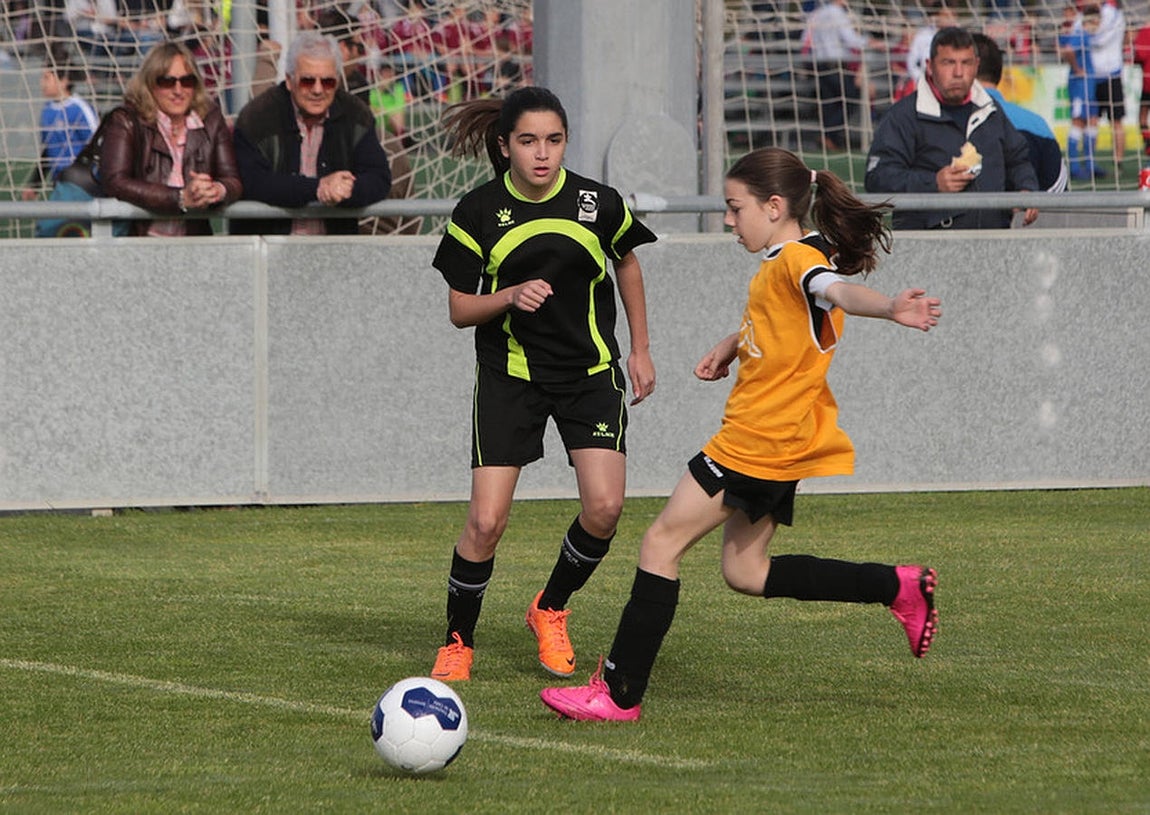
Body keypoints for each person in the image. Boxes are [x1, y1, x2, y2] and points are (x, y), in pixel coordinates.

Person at [539, 147, 942, 722]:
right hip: (785, 443)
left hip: (754, 444)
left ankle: (618, 692)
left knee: (660, 545)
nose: (728, 221)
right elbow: (793, 314)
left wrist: (889, 307)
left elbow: (836, 291)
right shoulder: (796, 254)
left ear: (774, 206)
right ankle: (897, 587)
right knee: (746, 572)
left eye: (735, 208)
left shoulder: (800, 262)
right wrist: (734, 343)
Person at [428, 87, 657, 682]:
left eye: (554, 141)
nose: (542, 154)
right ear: (505, 146)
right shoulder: (478, 210)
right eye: (528, 141)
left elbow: (626, 260)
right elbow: (458, 308)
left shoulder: (596, 202)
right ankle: (458, 640)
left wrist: (641, 349)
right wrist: (508, 295)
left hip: (589, 375)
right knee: (485, 522)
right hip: (511, 376)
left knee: (605, 508)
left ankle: (549, 608)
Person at [864, 26, 1039, 229]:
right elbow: (877, 177)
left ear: (976, 65)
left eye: (966, 63)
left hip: (994, 244)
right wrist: (933, 183)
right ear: (930, 66)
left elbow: (1018, 159)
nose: (958, 72)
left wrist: (1026, 188)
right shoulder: (904, 116)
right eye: (948, 63)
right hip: (928, 248)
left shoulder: (990, 109)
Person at [231, 30, 392, 236]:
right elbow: (254, 182)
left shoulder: (356, 114)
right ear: (289, 80)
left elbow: (379, 177)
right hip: (267, 250)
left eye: (327, 81)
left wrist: (346, 189)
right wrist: (318, 187)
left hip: (333, 250)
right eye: (308, 81)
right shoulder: (256, 117)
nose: (318, 90)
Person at [99, 40, 241, 237]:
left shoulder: (211, 119)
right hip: (139, 243)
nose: (178, 90)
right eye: (167, 81)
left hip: (193, 245)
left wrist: (215, 190)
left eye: (187, 81)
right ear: (150, 84)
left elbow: (232, 179)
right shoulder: (126, 120)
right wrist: (180, 198)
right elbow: (115, 181)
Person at [972, 32, 1067, 192]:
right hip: (1033, 217)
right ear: (999, 73)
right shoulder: (1037, 124)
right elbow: (1057, 193)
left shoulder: (946, 121)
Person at [802, 0, 883, 150]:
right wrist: (870, 42)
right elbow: (851, 40)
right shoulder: (837, 13)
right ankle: (828, 135)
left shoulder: (817, 13)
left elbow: (805, 38)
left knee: (830, 102)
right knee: (852, 96)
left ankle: (830, 140)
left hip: (818, 63)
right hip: (834, 64)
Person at [21, 52, 98, 201]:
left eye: (47, 77)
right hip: (58, 184)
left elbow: (97, 147)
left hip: (82, 186)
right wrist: (35, 184)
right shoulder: (47, 110)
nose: (42, 83)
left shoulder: (79, 109)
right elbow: (47, 151)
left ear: (63, 81)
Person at [1059, 3, 1102, 181]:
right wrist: (1077, 69)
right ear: (1091, 20)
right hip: (1079, 85)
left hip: (1089, 85)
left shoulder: (1088, 35)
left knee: (1092, 120)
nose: (1099, 25)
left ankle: (1090, 163)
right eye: (1098, 22)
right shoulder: (1080, 34)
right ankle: (1075, 166)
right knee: (1078, 122)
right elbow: (1067, 51)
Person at [1091, 0, 1126, 167]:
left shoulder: (1112, 13)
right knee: (1092, 119)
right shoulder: (1092, 12)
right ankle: (1091, 161)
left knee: (1116, 121)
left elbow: (1100, 40)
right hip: (1093, 75)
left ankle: (1118, 160)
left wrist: (1085, 36)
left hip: (1111, 73)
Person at [1132, 20, 1150, 156]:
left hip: (1148, 81)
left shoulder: (1145, 31)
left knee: (1143, 115)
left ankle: (1148, 144)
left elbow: (1139, 55)